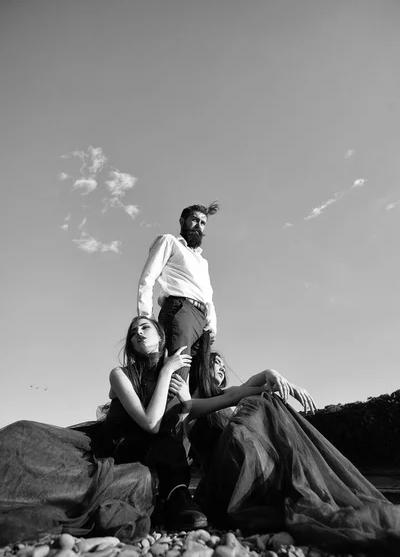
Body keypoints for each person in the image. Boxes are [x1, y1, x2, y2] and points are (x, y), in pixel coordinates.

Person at [0, 317, 269, 545]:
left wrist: (266, 385)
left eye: (144, 328)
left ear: (161, 337)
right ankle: (174, 495)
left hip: (154, 456)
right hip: (114, 449)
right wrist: (167, 373)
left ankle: (177, 495)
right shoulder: (119, 374)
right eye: (133, 332)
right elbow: (149, 422)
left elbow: (216, 400)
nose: (137, 333)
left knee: (171, 433)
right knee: (22, 438)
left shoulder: (175, 380)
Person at [169, 348, 400, 555]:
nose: (220, 367)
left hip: (250, 472)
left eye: (221, 363)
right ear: (201, 367)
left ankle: (293, 483)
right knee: (255, 402)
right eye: (214, 362)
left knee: (261, 400)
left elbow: (253, 382)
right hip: (221, 484)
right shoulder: (189, 401)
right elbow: (232, 397)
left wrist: (276, 378)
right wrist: (262, 389)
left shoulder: (228, 395)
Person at [137, 202, 219, 388]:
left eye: (203, 223)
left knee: (200, 384)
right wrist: (146, 318)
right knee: (176, 377)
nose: (198, 226)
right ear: (183, 221)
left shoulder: (202, 261)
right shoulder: (169, 241)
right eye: (194, 220)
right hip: (180, 311)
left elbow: (208, 296)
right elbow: (148, 278)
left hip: (202, 321)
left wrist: (212, 325)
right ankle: (161, 416)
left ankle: (189, 417)